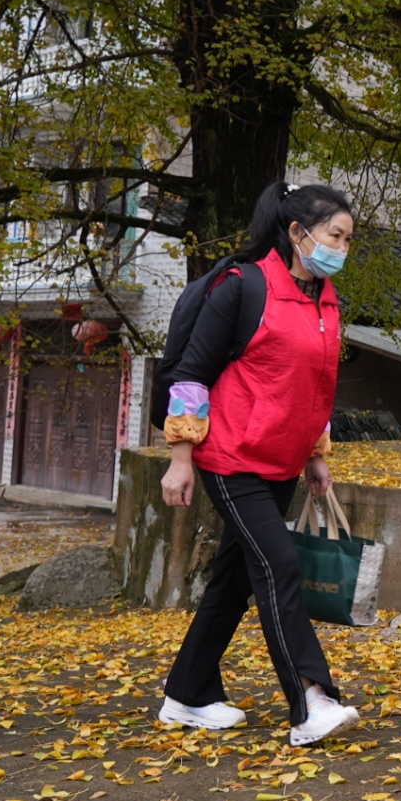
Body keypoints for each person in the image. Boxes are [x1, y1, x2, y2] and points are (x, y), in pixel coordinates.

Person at [157, 182, 365, 747]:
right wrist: (181, 458)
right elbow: (191, 375)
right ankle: (312, 701)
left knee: (233, 580)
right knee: (280, 566)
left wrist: (317, 456)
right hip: (231, 456)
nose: (343, 248)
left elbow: (315, 387)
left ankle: (187, 693)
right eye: (335, 236)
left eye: (348, 239)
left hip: (280, 462)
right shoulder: (242, 286)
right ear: (299, 234)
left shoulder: (325, 299)